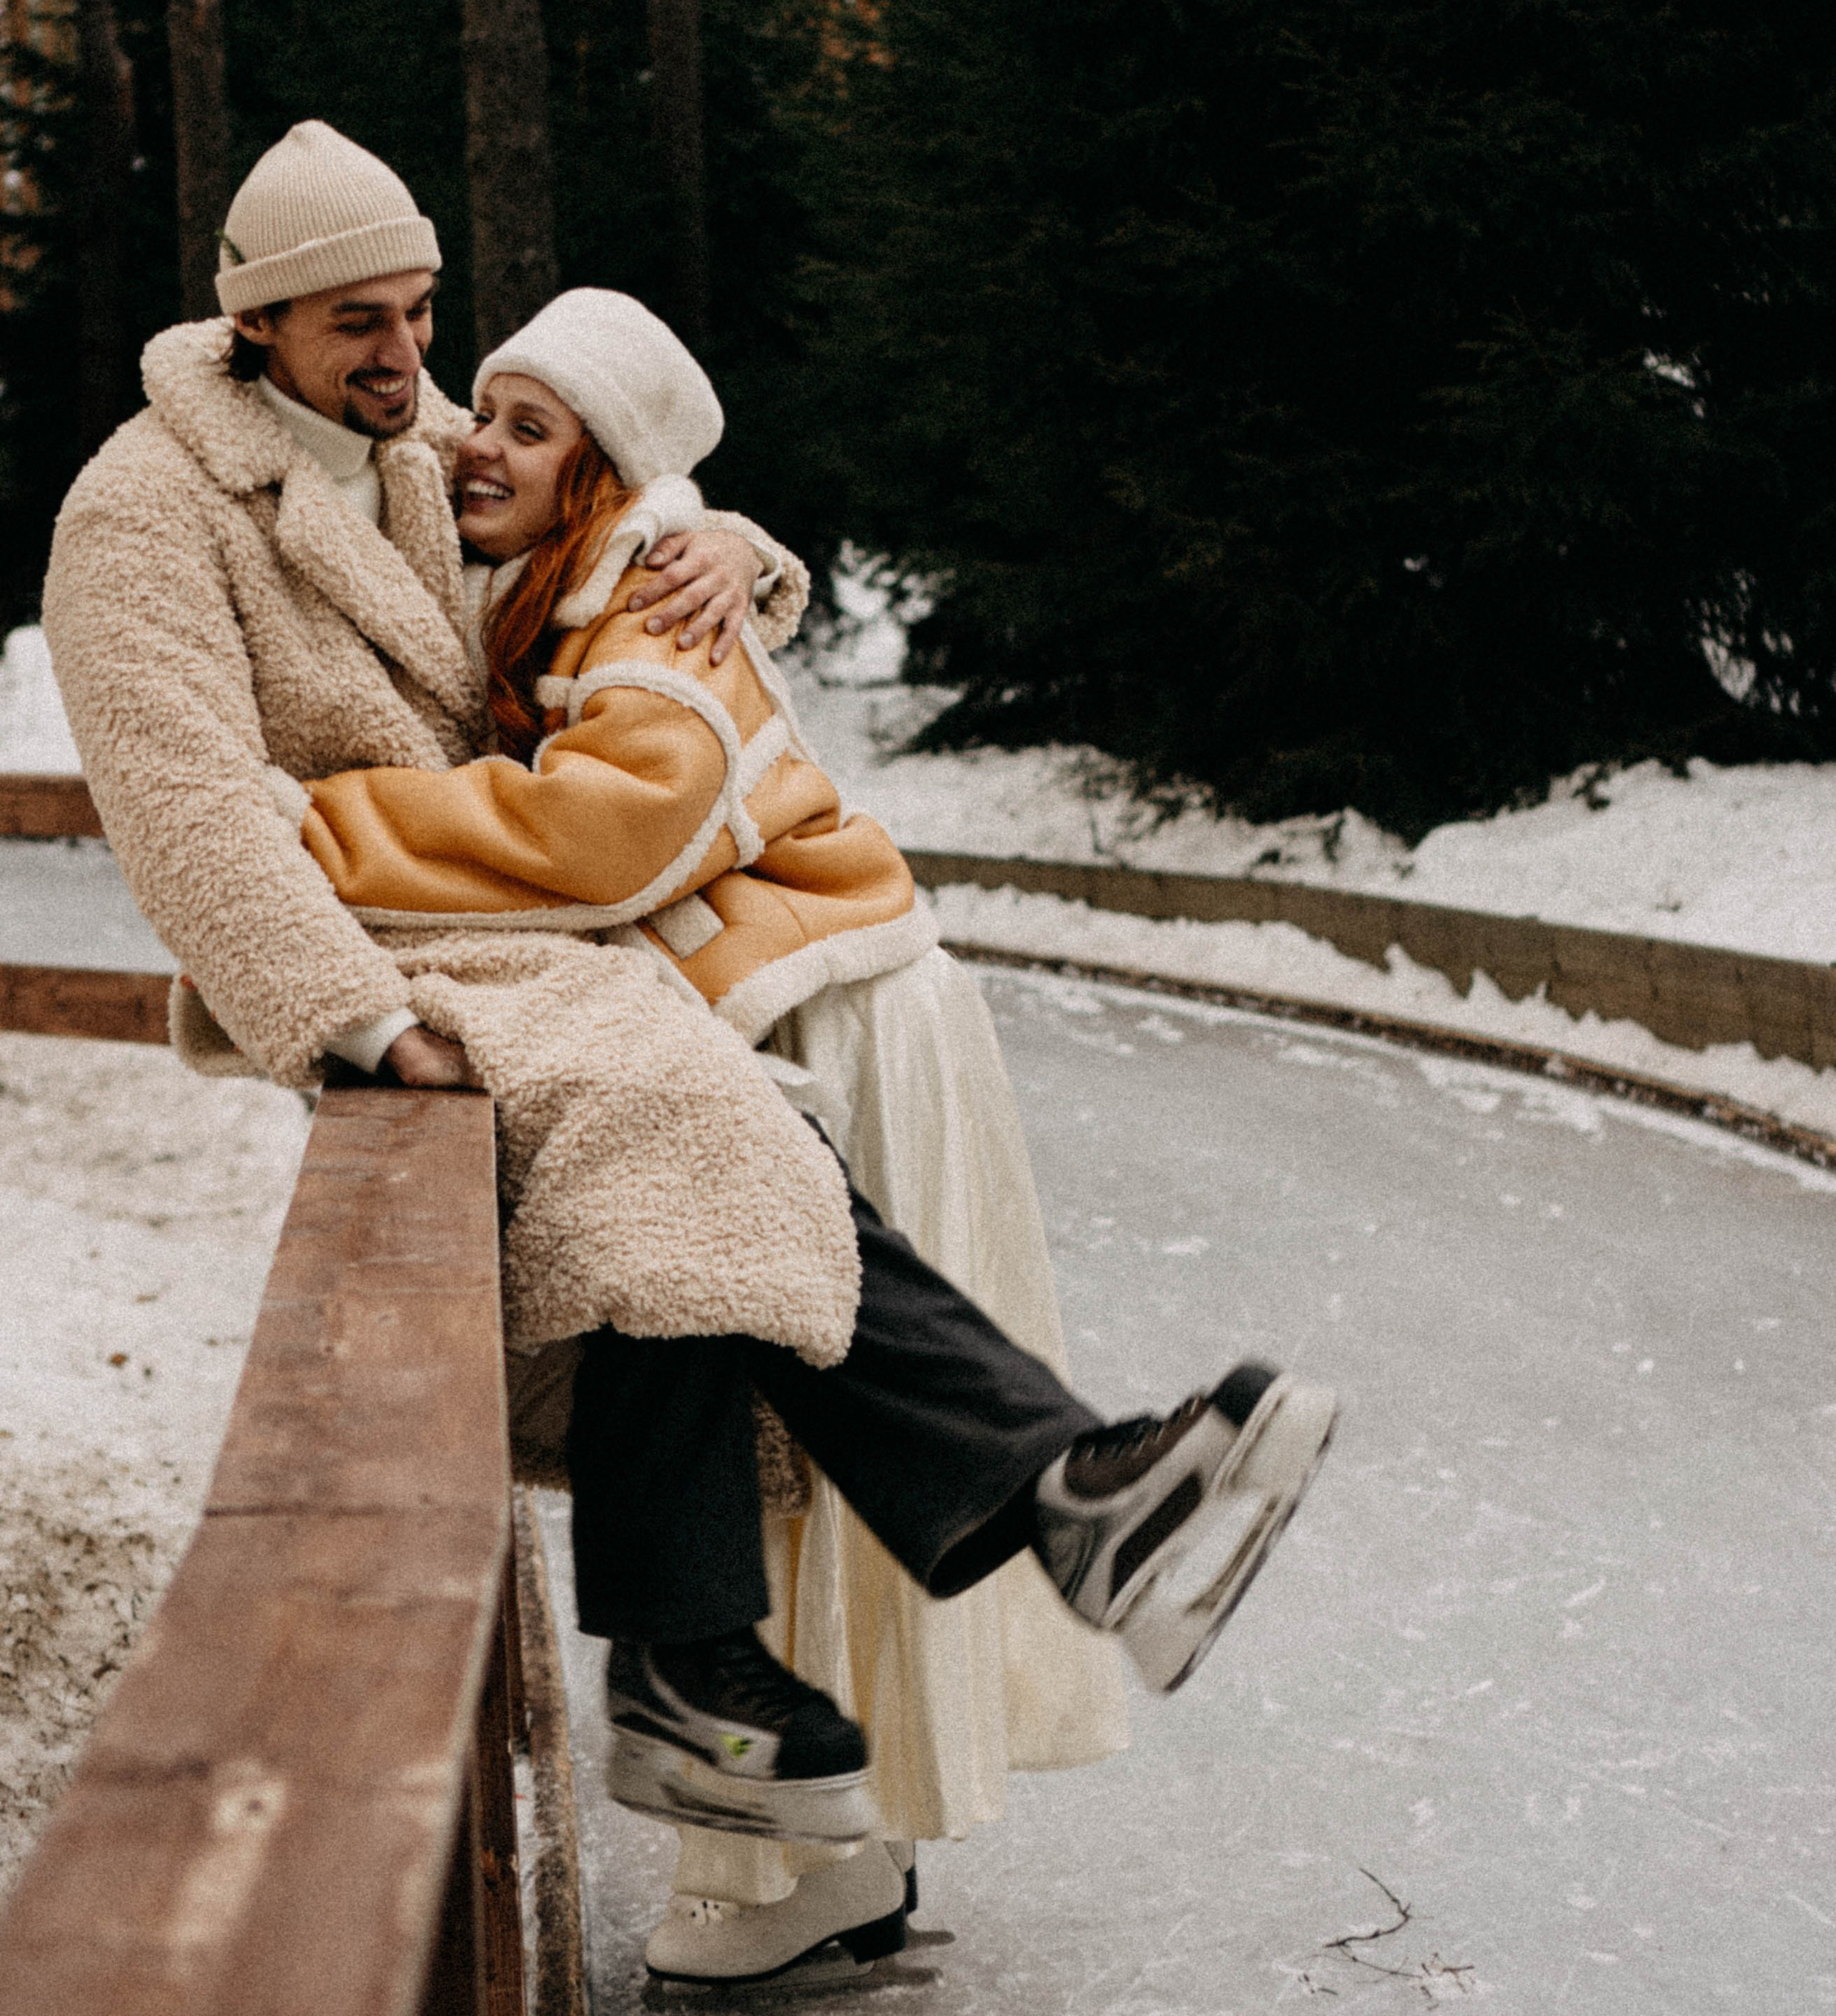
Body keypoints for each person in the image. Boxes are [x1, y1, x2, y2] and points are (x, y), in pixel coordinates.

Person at [43, 124, 1337, 1987]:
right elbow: (179, 808)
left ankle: (933, 1563)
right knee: (682, 1122)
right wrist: (346, 1018)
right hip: (375, 949)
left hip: (512, 931)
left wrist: (738, 545)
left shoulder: (405, 453)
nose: (408, 360)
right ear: (251, 319)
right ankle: (937, 1556)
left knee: (719, 1151)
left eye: (418, 312)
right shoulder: (145, 511)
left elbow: (597, 547)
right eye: (358, 323)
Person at [288, 283, 1133, 1977]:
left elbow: (610, 831)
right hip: (781, 1015)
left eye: (533, 427)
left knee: (774, 1427)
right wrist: (731, 540)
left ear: (604, 476)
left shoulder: (642, 594)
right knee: (769, 1423)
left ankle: (789, 1864)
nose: (477, 440)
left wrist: (319, 827)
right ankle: (814, 1854)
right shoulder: (559, 570)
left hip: (830, 1018)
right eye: (487, 407)